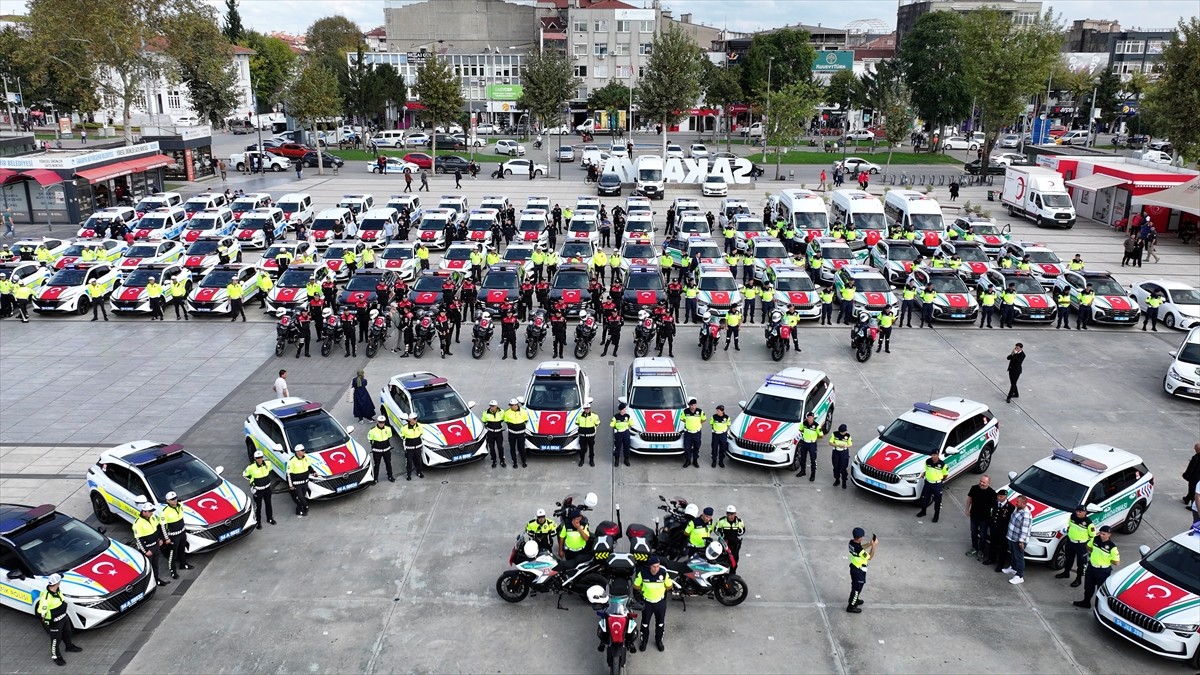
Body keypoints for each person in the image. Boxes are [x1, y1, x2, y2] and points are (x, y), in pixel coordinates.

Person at [37, 574, 82, 666]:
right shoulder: (46, 598)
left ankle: (69, 646)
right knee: (55, 640)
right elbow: (41, 613)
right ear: (57, 583)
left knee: (68, 632)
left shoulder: (57, 590)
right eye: (60, 580)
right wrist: (48, 623)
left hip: (63, 616)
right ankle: (56, 656)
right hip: (54, 621)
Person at [1073, 526, 1119, 608]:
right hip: (1091, 567)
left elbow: (1116, 562)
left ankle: (1099, 606)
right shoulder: (1095, 539)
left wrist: (1106, 560)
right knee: (1088, 586)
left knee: (1100, 590)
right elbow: (1088, 546)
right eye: (1100, 533)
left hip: (1103, 571)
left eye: (1104, 534)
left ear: (1109, 535)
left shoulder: (1112, 547)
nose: (1101, 535)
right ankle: (1086, 602)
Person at [634, 556, 673, 653]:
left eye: (658, 566)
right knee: (645, 624)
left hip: (660, 603)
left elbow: (669, 586)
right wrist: (641, 597)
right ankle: (644, 642)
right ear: (650, 566)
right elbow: (636, 586)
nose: (656, 569)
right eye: (654, 567)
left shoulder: (663, 573)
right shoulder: (643, 574)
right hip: (647, 603)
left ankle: (659, 641)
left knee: (660, 624)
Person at [1057, 504, 1096, 587]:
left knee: (1081, 563)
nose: (1078, 513)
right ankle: (1066, 573)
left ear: (1085, 512)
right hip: (1070, 542)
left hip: (1081, 545)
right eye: (1077, 511)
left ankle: (1078, 579)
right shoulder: (1073, 516)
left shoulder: (1089, 523)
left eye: (1080, 512)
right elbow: (1069, 525)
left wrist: (1088, 546)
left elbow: (1093, 536)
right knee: (1068, 559)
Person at [132, 502, 170, 585]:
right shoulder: (137, 523)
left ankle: (157, 580)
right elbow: (139, 539)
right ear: (144, 512)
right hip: (148, 549)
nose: (152, 513)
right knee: (149, 567)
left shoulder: (152, 517)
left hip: (156, 545)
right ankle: (149, 583)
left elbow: (157, 528)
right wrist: (145, 551)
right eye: (150, 511)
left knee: (155, 565)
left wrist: (160, 539)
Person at [160, 492, 192, 579]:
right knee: (173, 554)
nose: (175, 500)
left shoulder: (180, 506)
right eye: (172, 499)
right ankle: (173, 571)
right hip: (173, 536)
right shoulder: (165, 511)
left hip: (182, 532)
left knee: (182, 550)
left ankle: (183, 564)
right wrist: (166, 538)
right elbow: (163, 526)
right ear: (168, 501)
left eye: (175, 498)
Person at [847, 528, 877, 614]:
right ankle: (851, 606)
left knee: (856, 587)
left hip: (854, 568)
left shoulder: (851, 543)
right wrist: (874, 546)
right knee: (856, 589)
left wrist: (870, 544)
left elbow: (860, 548)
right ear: (859, 538)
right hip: (858, 571)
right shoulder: (859, 549)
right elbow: (870, 557)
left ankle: (855, 599)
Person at [983, 489, 1014, 570]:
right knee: (992, 545)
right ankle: (991, 559)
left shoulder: (1010, 507)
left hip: (1003, 531)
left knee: (1002, 548)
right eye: (998, 496)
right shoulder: (995, 503)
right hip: (994, 528)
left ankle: (1000, 564)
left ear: (1005, 497)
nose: (999, 498)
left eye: (1001, 496)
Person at [965, 476, 996, 557]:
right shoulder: (974, 488)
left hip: (984, 519)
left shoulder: (992, 493)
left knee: (983, 535)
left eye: (984, 482)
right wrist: (967, 509)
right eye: (981, 481)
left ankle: (981, 550)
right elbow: (969, 499)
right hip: (974, 516)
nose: (981, 483)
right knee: (973, 533)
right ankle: (974, 548)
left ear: (988, 483)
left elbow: (994, 507)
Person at [1003, 494, 1031, 584]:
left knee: (1019, 557)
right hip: (1011, 537)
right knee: (1013, 554)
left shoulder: (1026, 514)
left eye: (1018, 502)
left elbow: (1024, 529)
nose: (1016, 503)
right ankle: (1013, 568)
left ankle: (1019, 576)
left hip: (1018, 540)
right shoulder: (1017, 509)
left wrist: (1021, 541)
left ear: (1024, 503)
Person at [243, 450, 275, 527]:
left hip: (267, 488)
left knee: (268, 504)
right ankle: (258, 522)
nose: (259, 459)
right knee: (258, 506)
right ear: (255, 458)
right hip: (258, 490)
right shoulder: (251, 467)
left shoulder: (268, 463)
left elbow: (270, 470)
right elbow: (245, 475)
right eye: (257, 458)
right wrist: (253, 480)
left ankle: (270, 518)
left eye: (260, 457)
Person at [915, 451, 949, 522]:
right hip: (928, 483)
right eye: (932, 455)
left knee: (937, 501)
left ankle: (936, 516)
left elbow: (945, 475)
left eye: (934, 455)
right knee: (925, 498)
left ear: (937, 455)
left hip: (937, 484)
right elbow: (926, 470)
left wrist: (939, 480)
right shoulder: (928, 461)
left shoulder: (943, 465)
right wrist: (924, 474)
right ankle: (923, 512)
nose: (932, 456)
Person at [287, 446, 315, 516]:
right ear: (297, 452)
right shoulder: (292, 461)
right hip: (297, 484)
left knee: (303, 496)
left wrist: (313, 472)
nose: (303, 452)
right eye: (302, 450)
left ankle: (300, 509)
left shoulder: (306, 457)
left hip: (305, 482)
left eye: (303, 450)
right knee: (300, 497)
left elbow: (309, 466)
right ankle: (304, 507)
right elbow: (288, 474)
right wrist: (291, 485)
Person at [795, 412, 823, 480]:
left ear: (813, 418)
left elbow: (821, 435)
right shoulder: (804, 423)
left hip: (812, 444)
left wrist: (814, 438)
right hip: (804, 443)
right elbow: (801, 430)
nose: (809, 419)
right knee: (803, 458)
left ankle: (813, 474)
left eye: (811, 417)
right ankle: (802, 471)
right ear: (807, 417)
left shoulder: (816, 426)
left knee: (813, 460)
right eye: (808, 417)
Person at [681, 398, 705, 469]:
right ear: (689, 406)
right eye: (692, 405)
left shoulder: (700, 411)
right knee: (687, 447)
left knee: (696, 446)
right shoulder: (685, 411)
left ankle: (695, 460)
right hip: (688, 433)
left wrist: (697, 424)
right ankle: (687, 460)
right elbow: (682, 419)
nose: (694, 407)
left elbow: (703, 419)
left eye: (695, 405)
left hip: (697, 433)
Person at [504, 398, 529, 469]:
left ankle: (524, 462)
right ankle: (514, 462)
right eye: (510, 405)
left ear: (516, 405)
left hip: (521, 434)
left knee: (521, 448)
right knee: (512, 448)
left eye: (513, 405)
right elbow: (506, 421)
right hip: (512, 434)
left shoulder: (524, 411)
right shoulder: (507, 412)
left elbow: (526, 420)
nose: (511, 407)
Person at [400, 413, 425, 479]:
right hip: (409, 448)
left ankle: (419, 472)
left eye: (416, 418)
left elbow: (421, 434)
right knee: (409, 462)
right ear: (410, 420)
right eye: (414, 419)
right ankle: (408, 474)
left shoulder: (419, 426)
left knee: (418, 461)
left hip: (418, 447)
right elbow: (402, 437)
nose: (415, 420)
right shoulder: (404, 428)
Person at [577, 398, 599, 467]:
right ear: (584, 409)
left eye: (588, 408)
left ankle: (591, 461)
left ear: (590, 408)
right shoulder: (579, 415)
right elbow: (577, 423)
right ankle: (582, 460)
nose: (587, 410)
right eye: (586, 408)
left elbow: (597, 423)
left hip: (591, 435)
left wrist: (592, 430)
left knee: (591, 449)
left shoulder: (594, 415)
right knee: (582, 449)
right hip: (582, 435)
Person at [829, 424, 852, 488]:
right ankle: (837, 480)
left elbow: (850, 444)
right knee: (836, 467)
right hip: (836, 452)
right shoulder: (834, 434)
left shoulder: (848, 436)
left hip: (844, 452)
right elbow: (830, 442)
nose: (843, 433)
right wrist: (837, 445)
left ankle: (844, 482)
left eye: (844, 431)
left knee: (843, 468)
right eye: (841, 432)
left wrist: (845, 446)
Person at [611, 401, 632, 467]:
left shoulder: (628, 416)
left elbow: (631, 423)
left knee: (626, 447)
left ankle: (626, 460)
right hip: (619, 433)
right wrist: (616, 428)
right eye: (624, 409)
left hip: (626, 432)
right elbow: (612, 424)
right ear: (621, 410)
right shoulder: (616, 417)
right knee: (617, 447)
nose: (625, 410)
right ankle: (616, 460)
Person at [1184, 443, 1200, 509]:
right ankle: (1187, 498)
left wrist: (1186, 475)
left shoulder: (1196, 458)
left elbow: (1191, 468)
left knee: (1192, 490)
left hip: (1195, 477)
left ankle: (1193, 505)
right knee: (1192, 489)